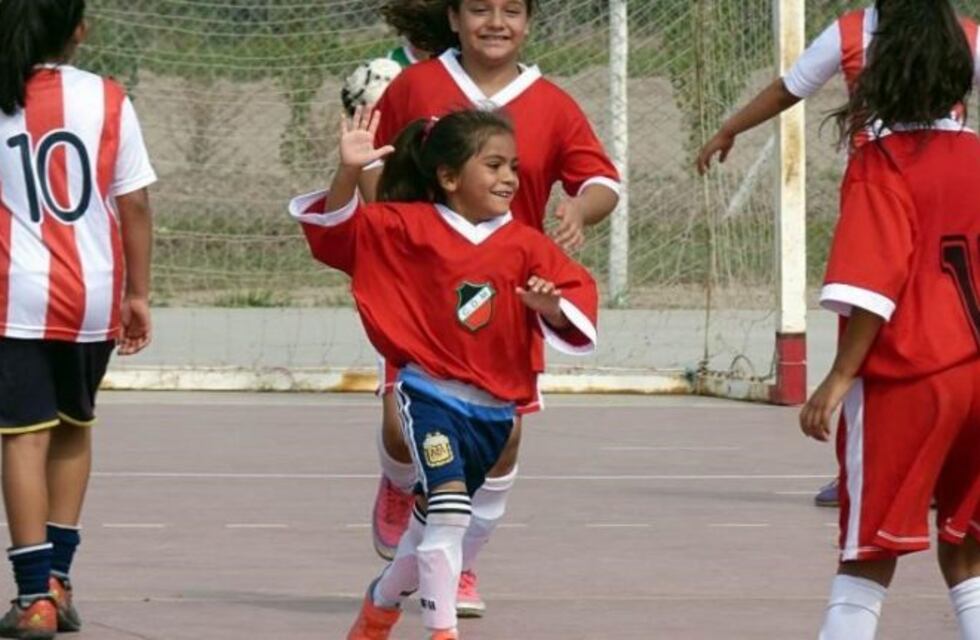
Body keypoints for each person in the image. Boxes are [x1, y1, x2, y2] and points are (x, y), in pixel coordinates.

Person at [289, 107, 598, 640]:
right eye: (493, 165)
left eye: (513, 167)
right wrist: (348, 172)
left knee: (427, 531)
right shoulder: (407, 227)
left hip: (494, 413)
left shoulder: (527, 244)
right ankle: (442, 631)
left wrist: (551, 308)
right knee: (450, 513)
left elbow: (576, 298)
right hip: (429, 396)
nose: (508, 178)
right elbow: (339, 235)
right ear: (449, 177)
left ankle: (379, 609)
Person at [362, 0, 620, 616]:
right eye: (480, 8)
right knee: (402, 424)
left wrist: (579, 209)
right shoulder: (415, 86)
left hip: (507, 297)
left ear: (529, 21)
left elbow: (602, 182)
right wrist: (383, 234)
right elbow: (376, 164)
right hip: (423, 292)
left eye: (512, 10)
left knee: (502, 441)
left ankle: (462, 562)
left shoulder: (553, 104)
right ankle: (400, 485)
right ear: (454, 18)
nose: (496, 21)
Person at [698, 0, 980, 509]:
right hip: (886, 194)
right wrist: (732, 126)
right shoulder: (852, 32)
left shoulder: (961, 35)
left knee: (899, 328)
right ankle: (872, 466)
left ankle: (915, 471)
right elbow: (790, 86)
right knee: (897, 328)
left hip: (927, 195)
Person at [799, 2, 980, 638]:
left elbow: (871, 287)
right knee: (966, 546)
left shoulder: (882, 163)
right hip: (978, 378)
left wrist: (838, 378)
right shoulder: (977, 155)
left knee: (867, 552)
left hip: (910, 377)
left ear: (882, 72)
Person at [0, 0, 156, 637]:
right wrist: (139, 293)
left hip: (16, 296)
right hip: (91, 294)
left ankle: (33, 595)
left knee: (22, 438)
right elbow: (135, 202)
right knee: (73, 428)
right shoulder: (108, 97)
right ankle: (60, 581)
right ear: (78, 30)